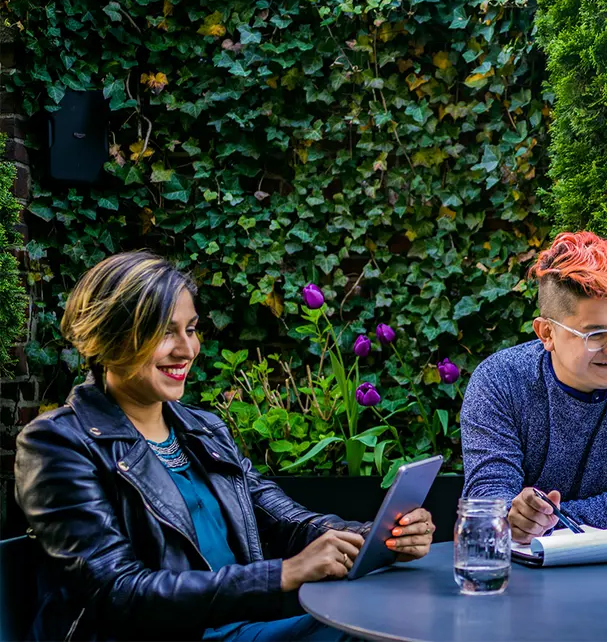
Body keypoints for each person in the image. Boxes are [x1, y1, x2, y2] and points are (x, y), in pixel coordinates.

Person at [15, 252, 436, 641]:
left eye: (191, 329)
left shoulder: (204, 430)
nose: (187, 349)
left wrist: (377, 537)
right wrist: (282, 575)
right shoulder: (58, 444)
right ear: (109, 337)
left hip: (239, 629)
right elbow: (118, 591)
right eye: (166, 332)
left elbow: (285, 519)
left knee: (394, 617)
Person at [460, 231, 607, 543]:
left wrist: (544, 525)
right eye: (595, 334)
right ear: (546, 333)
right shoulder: (499, 381)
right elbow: (489, 502)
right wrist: (512, 516)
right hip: (529, 581)